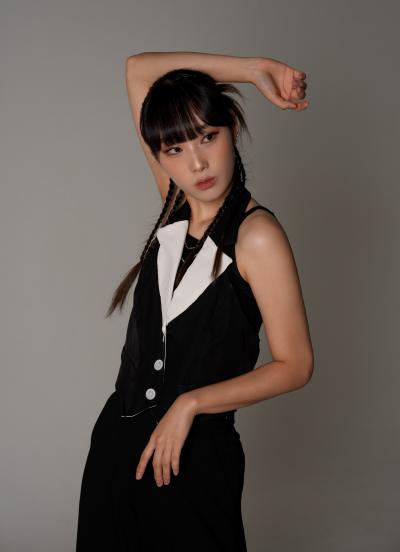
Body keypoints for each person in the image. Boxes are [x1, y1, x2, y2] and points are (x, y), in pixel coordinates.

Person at [75, 52, 314, 551]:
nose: (197, 163)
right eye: (175, 148)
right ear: (159, 156)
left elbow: (296, 366)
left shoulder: (257, 237)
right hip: (116, 454)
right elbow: (138, 70)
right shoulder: (175, 206)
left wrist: (192, 403)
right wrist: (253, 70)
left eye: (208, 136)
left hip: (195, 460)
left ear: (232, 130)